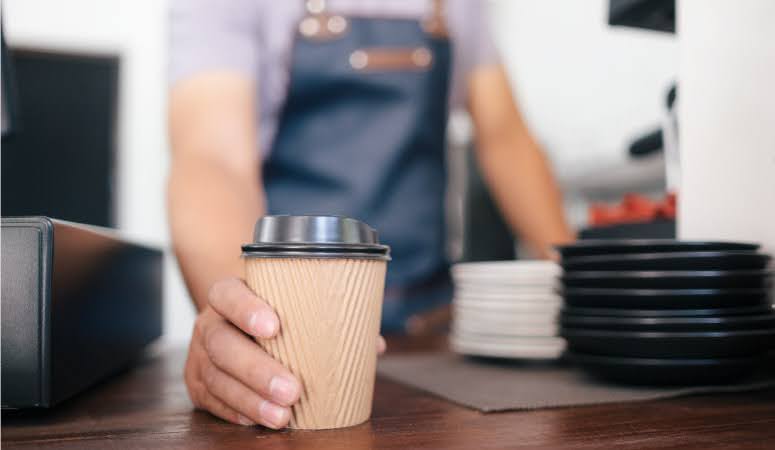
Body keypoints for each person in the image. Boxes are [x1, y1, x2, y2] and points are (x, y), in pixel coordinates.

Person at [167, 0, 574, 429]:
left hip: (431, 326)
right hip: (298, 332)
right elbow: (213, 161)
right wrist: (247, 327)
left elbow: (506, 140)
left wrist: (584, 286)